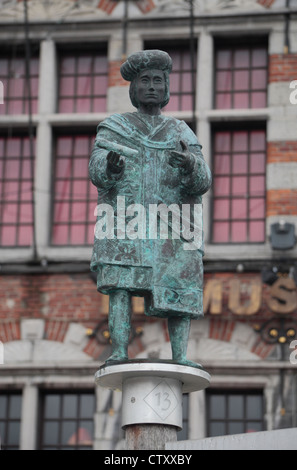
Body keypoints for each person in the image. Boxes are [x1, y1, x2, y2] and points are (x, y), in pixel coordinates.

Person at [89, 50, 212, 367]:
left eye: (159, 80)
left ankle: (181, 355)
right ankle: (119, 350)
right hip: (125, 220)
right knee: (120, 284)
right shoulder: (114, 127)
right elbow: (96, 169)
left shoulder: (180, 131)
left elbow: (203, 179)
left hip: (172, 222)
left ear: (167, 86)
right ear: (134, 88)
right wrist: (110, 168)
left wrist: (189, 165)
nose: (152, 87)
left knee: (180, 284)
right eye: (145, 81)